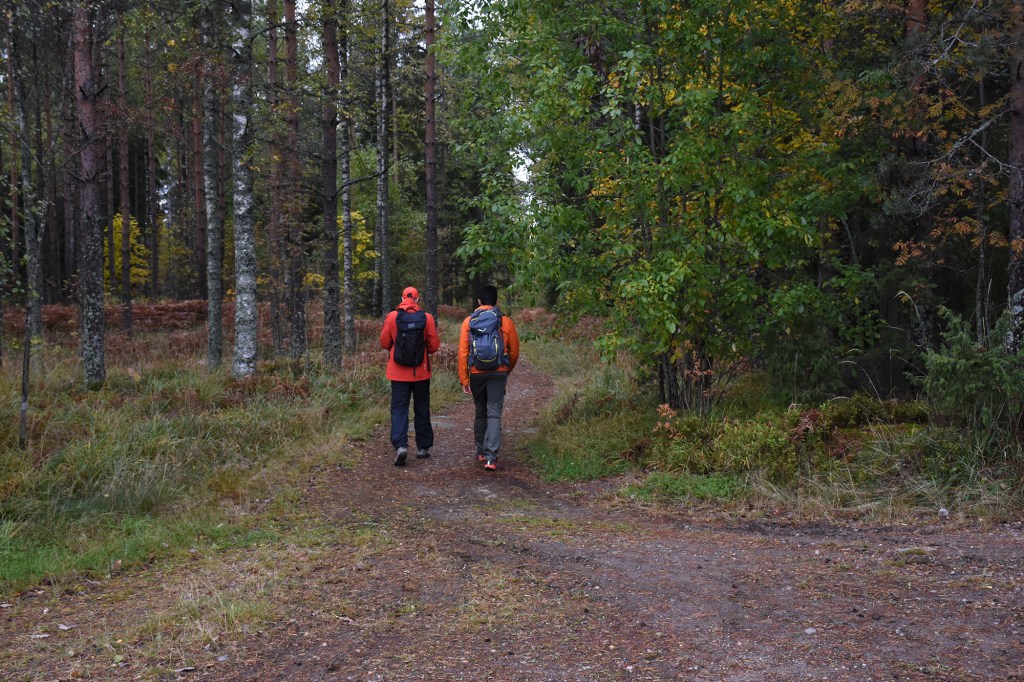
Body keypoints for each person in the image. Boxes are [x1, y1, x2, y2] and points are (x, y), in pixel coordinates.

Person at [458, 285, 520, 471]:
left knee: (480, 410)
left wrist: (464, 379)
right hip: (498, 372)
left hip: (477, 372)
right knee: (494, 413)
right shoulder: (505, 322)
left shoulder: (468, 322)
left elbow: (463, 352)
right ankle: (491, 458)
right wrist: (505, 370)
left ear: (479, 301)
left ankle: (480, 451)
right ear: (496, 301)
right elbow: (515, 351)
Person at [380, 286, 441, 466]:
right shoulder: (427, 318)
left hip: (398, 373)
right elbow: (434, 345)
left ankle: (401, 446)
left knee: (399, 408)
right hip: (421, 372)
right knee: (422, 408)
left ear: (402, 298)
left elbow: (384, 342)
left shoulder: (392, 317)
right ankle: (423, 448)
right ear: (418, 299)